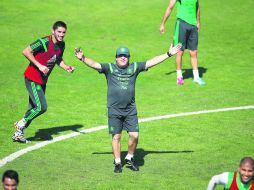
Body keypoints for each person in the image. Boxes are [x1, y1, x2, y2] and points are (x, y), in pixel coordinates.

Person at [74, 44, 181, 173]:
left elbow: (152, 61)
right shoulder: (110, 68)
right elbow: (95, 64)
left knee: (134, 135)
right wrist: (83, 58)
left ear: (129, 58)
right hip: (114, 110)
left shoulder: (134, 67)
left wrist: (168, 54)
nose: (123, 58)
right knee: (116, 137)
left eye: (125, 56)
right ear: (116, 58)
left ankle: (129, 157)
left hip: (130, 109)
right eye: (120, 56)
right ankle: (118, 162)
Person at [12, 21, 75, 143]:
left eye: (63, 32)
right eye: (59, 32)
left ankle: (18, 134)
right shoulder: (43, 42)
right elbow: (26, 51)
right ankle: (20, 124)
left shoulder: (62, 45)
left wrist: (66, 67)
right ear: (53, 31)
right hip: (32, 78)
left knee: (33, 108)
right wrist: (39, 66)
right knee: (41, 106)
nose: (61, 35)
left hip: (42, 81)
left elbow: (58, 58)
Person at [159, 0, 205, 85]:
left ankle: (196, 77)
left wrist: (198, 22)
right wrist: (163, 24)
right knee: (179, 51)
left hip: (193, 25)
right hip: (182, 24)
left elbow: (197, 7)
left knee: (194, 52)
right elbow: (170, 7)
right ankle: (179, 77)